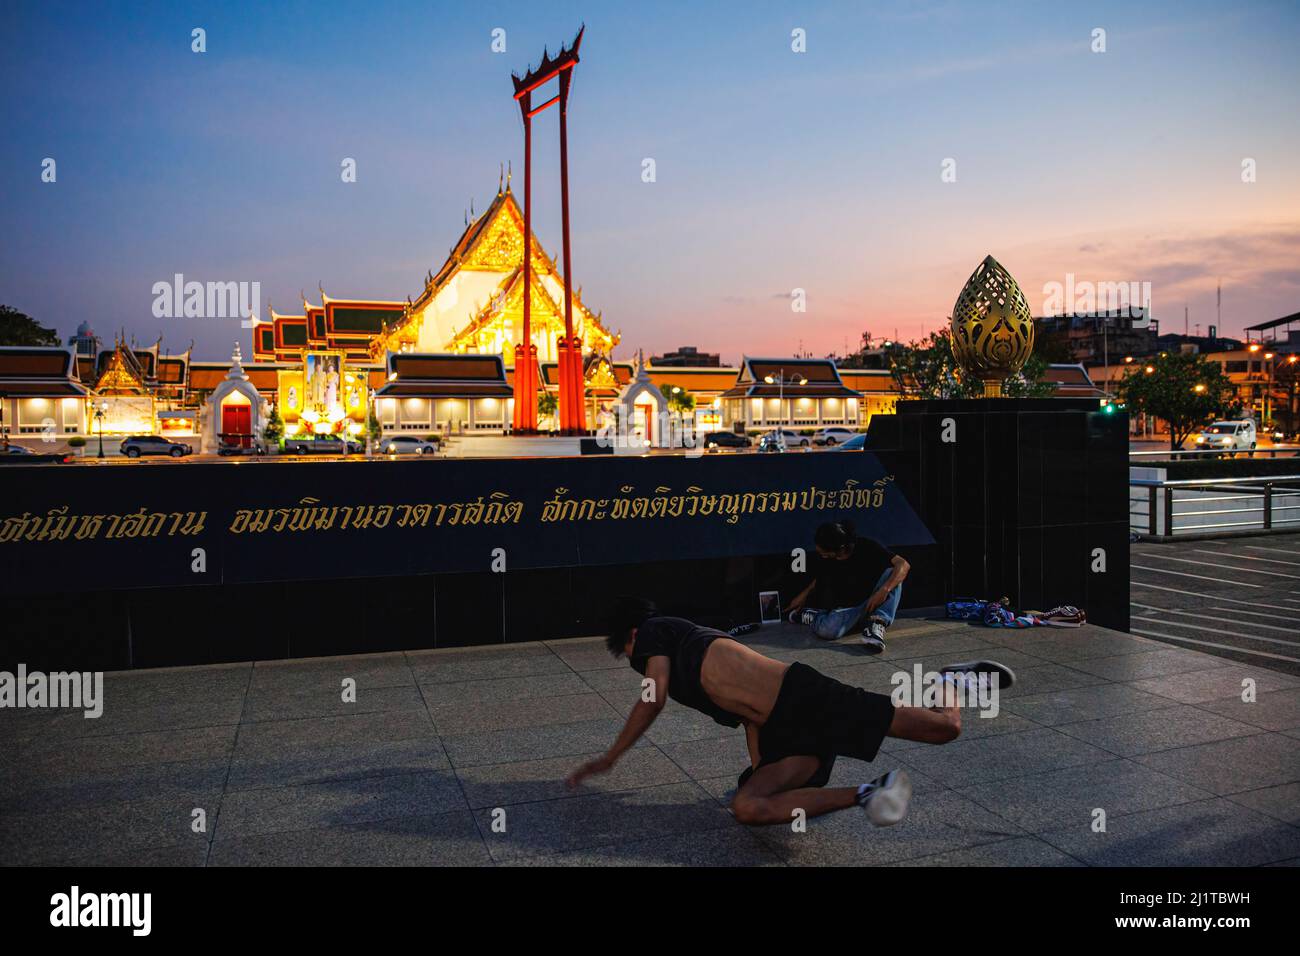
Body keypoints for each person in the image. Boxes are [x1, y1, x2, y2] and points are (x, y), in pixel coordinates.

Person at [566, 597, 1014, 828]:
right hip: (784, 731)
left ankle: (949, 683)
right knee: (748, 806)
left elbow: (651, 697)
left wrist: (611, 757)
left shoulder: (654, 633)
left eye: (628, 652)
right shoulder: (691, 669)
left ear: (631, 634)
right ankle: (868, 793)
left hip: (808, 698)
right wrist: (764, 769)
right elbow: (749, 717)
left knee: (945, 728)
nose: (635, 660)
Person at [786, 520, 908, 653]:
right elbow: (817, 581)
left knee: (893, 572)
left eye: (824, 549)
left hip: (870, 600)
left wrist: (884, 590)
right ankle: (811, 615)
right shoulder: (826, 558)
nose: (818, 550)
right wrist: (801, 597)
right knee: (829, 631)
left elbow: (903, 564)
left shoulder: (866, 545)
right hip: (846, 609)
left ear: (841, 548)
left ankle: (876, 625)